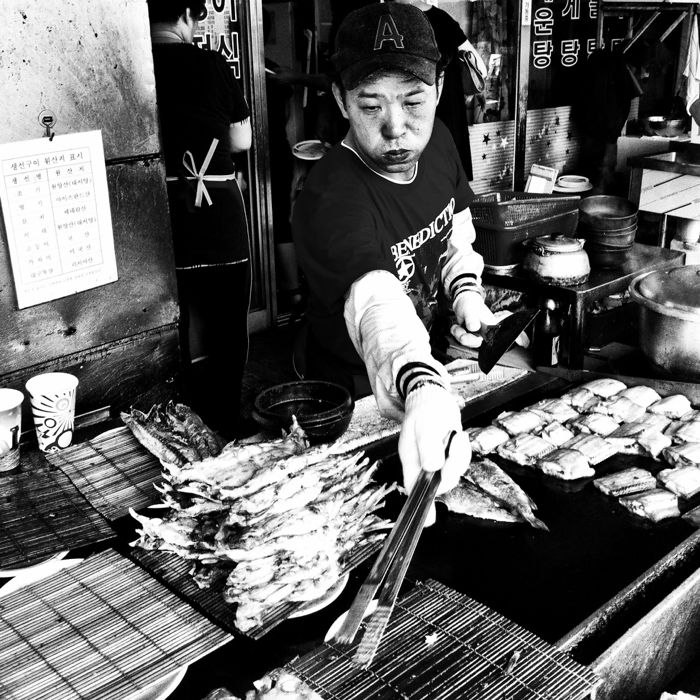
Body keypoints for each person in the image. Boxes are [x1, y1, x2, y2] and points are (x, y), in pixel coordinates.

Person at [292, 3, 497, 503]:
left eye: (413, 101)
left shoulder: (441, 142)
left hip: (418, 365)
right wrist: (423, 382)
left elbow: (455, 229)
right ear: (340, 100)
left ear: (440, 89)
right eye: (371, 106)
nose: (396, 127)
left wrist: (465, 289)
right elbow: (375, 298)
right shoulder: (329, 198)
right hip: (350, 389)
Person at [147, 0, 253, 436]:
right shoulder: (211, 64)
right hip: (219, 216)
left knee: (175, 328)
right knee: (229, 324)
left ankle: (178, 424)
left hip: (163, 214)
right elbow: (242, 139)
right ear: (187, 18)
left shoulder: (137, 65)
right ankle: (226, 418)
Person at [390, 0, 486, 180]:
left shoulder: (384, 21)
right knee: (446, 180)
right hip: (447, 115)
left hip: (404, 119)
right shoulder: (443, 20)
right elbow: (480, 68)